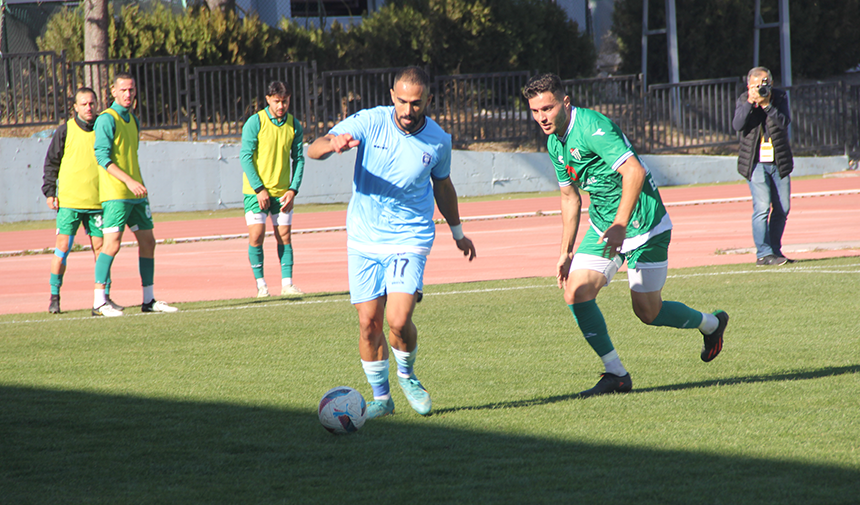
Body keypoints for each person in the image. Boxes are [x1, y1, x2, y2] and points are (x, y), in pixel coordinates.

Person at [522, 73, 728, 397]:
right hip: (606, 227)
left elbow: (634, 171)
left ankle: (711, 325)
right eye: (535, 111)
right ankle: (616, 374)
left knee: (648, 312)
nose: (542, 117)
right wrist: (566, 251)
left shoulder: (591, 128)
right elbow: (569, 197)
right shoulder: (554, 143)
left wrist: (620, 225)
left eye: (547, 108)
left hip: (644, 225)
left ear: (565, 102)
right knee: (576, 292)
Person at [307, 66, 477, 419]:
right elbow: (314, 148)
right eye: (402, 101)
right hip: (364, 238)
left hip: (410, 236)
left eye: (416, 103)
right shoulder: (369, 122)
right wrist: (331, 145)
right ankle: (382, 399)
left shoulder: (438, 140)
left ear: (428, 100)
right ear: (391, 97)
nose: (408, 110)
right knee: (369, 323)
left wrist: (458, 234)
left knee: (398, 321)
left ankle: (407, 374)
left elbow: (442, 187)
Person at [91, 72, 178, 317]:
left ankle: (148, 299)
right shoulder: (107, 119)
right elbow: (103, 157)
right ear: (113, 91)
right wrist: (128, 181)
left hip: (136, 193)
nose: (128, 94)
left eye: (131, 90)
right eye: (124, 90)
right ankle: (99, 301)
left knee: (148, 241)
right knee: (112, 245)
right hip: (117, 193)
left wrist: (135, 183)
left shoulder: (133, 120)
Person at [41, 88, 122, 314]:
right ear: (75, 107)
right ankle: (54, 296)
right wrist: (50, 191)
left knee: (101, 249)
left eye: (92, 103)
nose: (89, 108)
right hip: (69, 202)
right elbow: (51, 163)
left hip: (98, 202)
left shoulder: (103, 127)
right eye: (84, 104)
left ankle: (103, 298)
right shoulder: (65, 130)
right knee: (63, 248)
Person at [239, 81, 305, 298]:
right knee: (256, 236)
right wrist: (259, 189)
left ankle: (287, 284)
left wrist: (293, 189)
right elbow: (245, 157)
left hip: (282, 192)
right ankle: (261, 285)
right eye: (277, 101)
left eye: (285, 101)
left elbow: (299, 159)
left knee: (284, 236)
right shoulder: (255, 122)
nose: (281, 106)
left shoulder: (295, 125)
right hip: (255, 192)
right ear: (268, 99)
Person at [732, 66, 794, 266]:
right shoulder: (744, 99)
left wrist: (767, 105)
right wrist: (751, 102)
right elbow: (738, 125)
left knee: (783, 208)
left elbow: (784, 122)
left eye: (765, 84)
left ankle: (775, 251)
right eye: (757, 85)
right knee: (761, 207)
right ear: (749, 86)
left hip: (779, 161)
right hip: (756, 162)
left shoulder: (779, 97)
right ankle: (763, 254)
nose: (761, 88)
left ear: (772, 83)